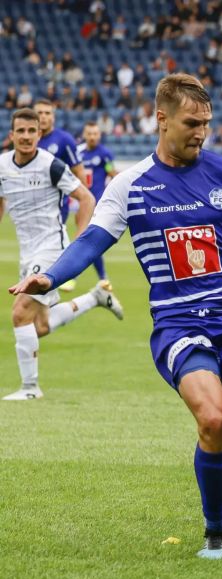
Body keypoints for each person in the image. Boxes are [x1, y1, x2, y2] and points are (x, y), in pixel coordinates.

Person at [9, 74, 222, 560]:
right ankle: (216, 530)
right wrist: (49, 279)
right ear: (161, 119)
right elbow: (92, 241)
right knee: (214, 420)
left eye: (206, 123)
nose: (201, 132)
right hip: (179, 324)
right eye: (191, 123)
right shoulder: (130, 186)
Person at [0, 108, 123, 401]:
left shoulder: (51, 165)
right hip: (28, 251)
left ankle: (30, 389)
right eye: (22, 131)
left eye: (32, 131)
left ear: (39, 135)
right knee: (38, 325)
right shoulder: (2, 166)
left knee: (20, 314)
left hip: (52, 247)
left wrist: (80, 242)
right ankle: (94, 298)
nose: (27, 136)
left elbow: (86, 198)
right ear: (12, 135)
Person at [33, 98, 97, 292]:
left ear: (53, 116)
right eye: (40, 113)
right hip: (31, 211)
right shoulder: (28, 140)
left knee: (40, 287)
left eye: (47, 113)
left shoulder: (63, 140)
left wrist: (82, 205)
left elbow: (79, 172)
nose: (43, 117)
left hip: (55, 210)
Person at [77, 121, 117, 285]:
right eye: (90, 133)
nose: (92, 137)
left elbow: (112, 173)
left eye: (95, 133)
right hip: (83, 204)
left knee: (88, 239)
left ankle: (77, 275)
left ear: (99, 135)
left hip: (98, 203)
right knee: (86, 239)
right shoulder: (78, 153)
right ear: (84, 135)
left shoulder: (104, 154)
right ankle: (102, 277)